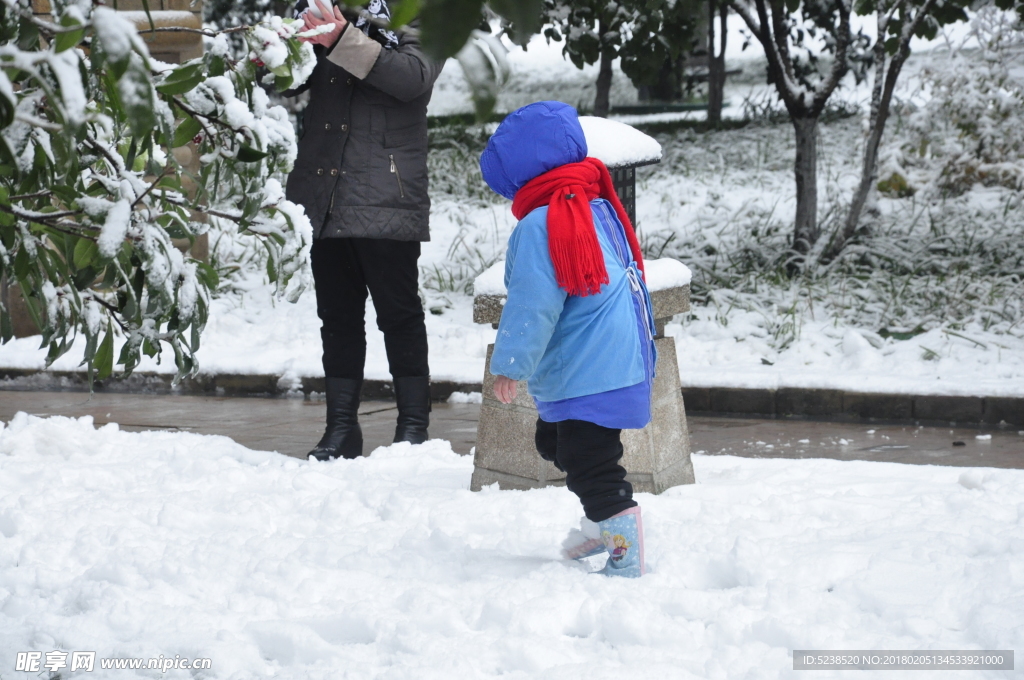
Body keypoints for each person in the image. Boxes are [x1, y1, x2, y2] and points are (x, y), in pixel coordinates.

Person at [479, 101, 656, 578]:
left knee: (589, 462)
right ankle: (602, 525)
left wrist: (510, 363)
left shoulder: (542, 224)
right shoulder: (595, 205)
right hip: (616, 360)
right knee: (558, 443)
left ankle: (623, 551)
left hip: (590, 367)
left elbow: (533, 303)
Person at [285, 0, 443, 461]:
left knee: (399, 314)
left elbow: (414, 77)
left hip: (385, 187)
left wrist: (340, 39)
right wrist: (273, 53)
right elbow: (288, 81)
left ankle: (413, 428)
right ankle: (341, 430)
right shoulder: (322, 4)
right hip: (323, 187)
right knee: (337, 316)